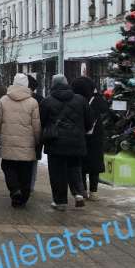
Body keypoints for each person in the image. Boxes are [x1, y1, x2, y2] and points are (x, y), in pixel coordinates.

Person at [40, 74, 93, 210]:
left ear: (52, 84)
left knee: (57, 173)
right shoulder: (80, 100)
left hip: (55, 143)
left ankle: (60, 202)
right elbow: (89, 121)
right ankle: (79, 194)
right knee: (75, 168)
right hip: (76, 142)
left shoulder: (47, 101)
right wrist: (80, 131)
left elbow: (42, 121)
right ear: (67, 83)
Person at [0, 74, 41, 208]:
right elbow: (36, 126)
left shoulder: (3, 100)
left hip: (8, 142)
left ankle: (14, 190)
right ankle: (23, 198)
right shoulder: (33, 102)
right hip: (27, 144)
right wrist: (37, 140)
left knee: (8, 167)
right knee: (25, 171)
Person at [71, 76, 109, 200]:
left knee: (81, 164)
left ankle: (84, 191)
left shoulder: (76, 100)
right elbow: (105, 109)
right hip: (96, 137)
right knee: (94, 166)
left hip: (80, 136)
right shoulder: (97, 100)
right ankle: (93, 192)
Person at [26, 75, 45, 192]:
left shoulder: (12, 98)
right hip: (35, 136)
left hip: (21, 136)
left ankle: (21, 184)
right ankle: (30, 186)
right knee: (33, 163)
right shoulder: (41, 99)